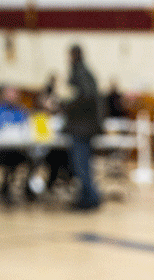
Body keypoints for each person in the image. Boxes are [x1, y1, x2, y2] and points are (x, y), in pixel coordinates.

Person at [62, 45, 102, 211]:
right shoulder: (85, 72)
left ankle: (90, 198)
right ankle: (88, 196)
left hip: (82, 127)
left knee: (81, 165)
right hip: (85, 127)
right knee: (83, 164)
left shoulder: (81, 73)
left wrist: (66, 105)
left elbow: (85, 98)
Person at [0, 85, 33, 204]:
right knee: (9, 158)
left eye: (15, 94)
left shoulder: (21, 111)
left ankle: (28, 188)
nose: (12, 97)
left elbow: (26, 128)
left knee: (32, 159)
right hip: (0, 150)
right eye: (10, 94)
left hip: (17, 148)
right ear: (3, 95)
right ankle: (5, 188)